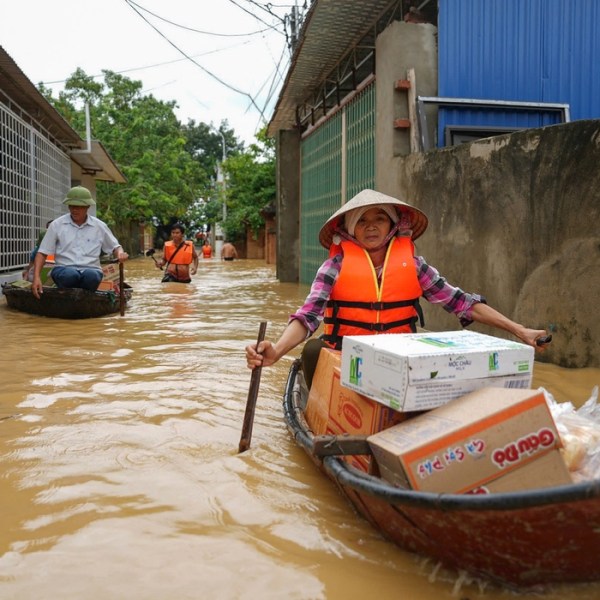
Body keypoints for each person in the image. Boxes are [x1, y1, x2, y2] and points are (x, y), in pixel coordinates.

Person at [245, 189, 552, 387]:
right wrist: (277, 351)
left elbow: (463, 303)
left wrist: (519, 331)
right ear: (350, 230)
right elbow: (308, 317)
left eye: (380, 218)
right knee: (314, 350)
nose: (372, 226)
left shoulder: (415, 267)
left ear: (392, 226)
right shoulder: (333, 268)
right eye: (362, 221)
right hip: (348, 359)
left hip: (400, 360)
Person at [31, 186, 128, 298]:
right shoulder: (57, 225)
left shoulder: (100, 226)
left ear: (87, 207)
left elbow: (116, 247)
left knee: (91, 276)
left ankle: (83, 298)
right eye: (72, 206)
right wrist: (36, 277)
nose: (74, 210)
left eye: (79, 207)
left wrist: (120, 254)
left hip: (91, 270)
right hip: (63, 270)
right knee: (70, 275)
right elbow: (42, 253)